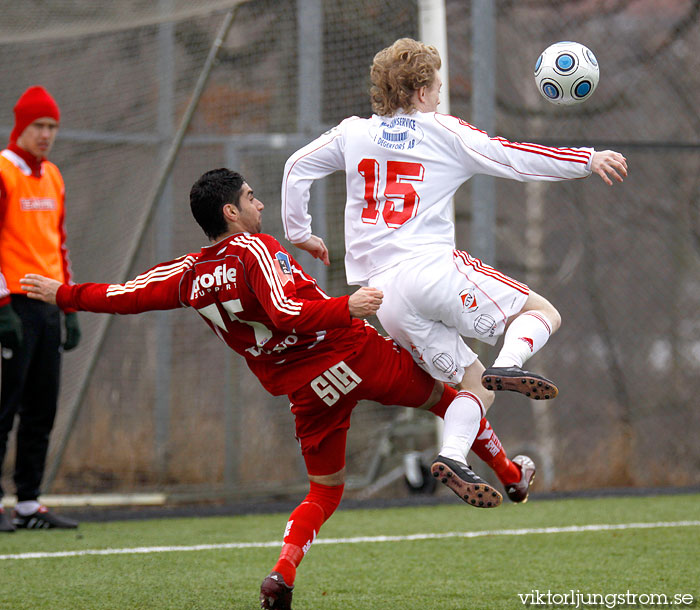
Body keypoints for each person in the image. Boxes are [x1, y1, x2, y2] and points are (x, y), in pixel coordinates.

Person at [25, 168, 510, 610]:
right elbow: (284, 315)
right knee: (450, 401)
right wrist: (349, 306)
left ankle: (283, 571)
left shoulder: (190, 272)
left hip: (308, 391)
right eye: (251, 198)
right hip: (352, 353)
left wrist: (64, 294)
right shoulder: (254, 249)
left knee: (324, 490)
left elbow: (125, 295)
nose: (261, 205)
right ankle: (510, 475)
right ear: (230, 212)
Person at [281, 38, 628, 505]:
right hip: (431, 268)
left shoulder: (352, 133)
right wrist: (587, 159)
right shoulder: (442, 131)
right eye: (437, 87)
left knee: (470, 382)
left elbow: (296, 167)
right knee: (541, 312)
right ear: (421, 92)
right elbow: (512, 157)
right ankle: (512, 362)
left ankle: (454, 456)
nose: (440, 95)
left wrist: (300, 232)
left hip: (385, 299)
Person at [0, 86, 81, 532]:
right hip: (12, 306)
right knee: (4, 405)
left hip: (48, 304)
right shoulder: (3, 170)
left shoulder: (52, 175)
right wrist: (2, 308)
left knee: (41, 406)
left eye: (52, 127)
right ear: (21, 127)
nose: (47, 134)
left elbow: (60, 244)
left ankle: (28, 503)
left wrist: (68, 305)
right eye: (39, 126)